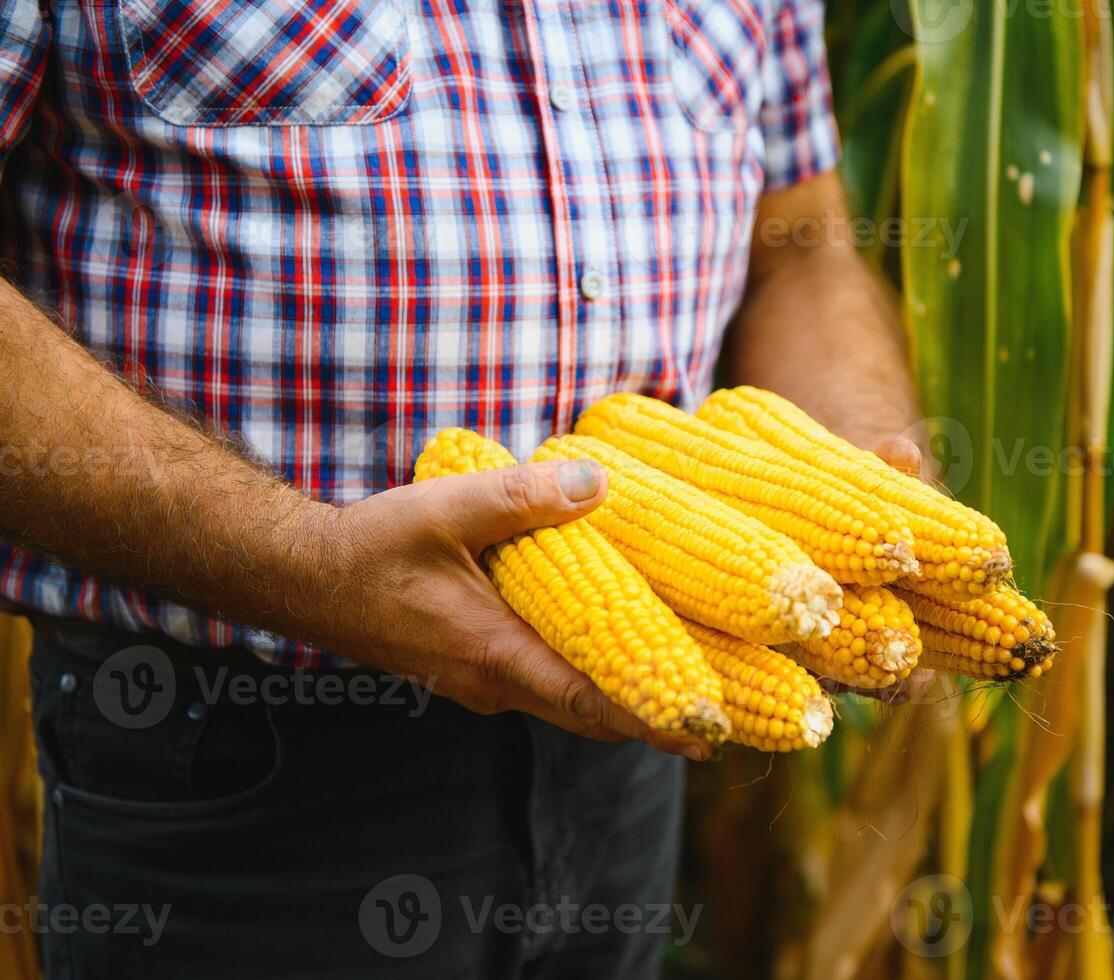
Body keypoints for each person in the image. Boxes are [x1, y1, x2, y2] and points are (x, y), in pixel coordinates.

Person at [0, 0, 923, 974]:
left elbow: (800, 244)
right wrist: (300, 556)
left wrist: (867, 472)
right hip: (241, 758)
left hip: (644, 731)